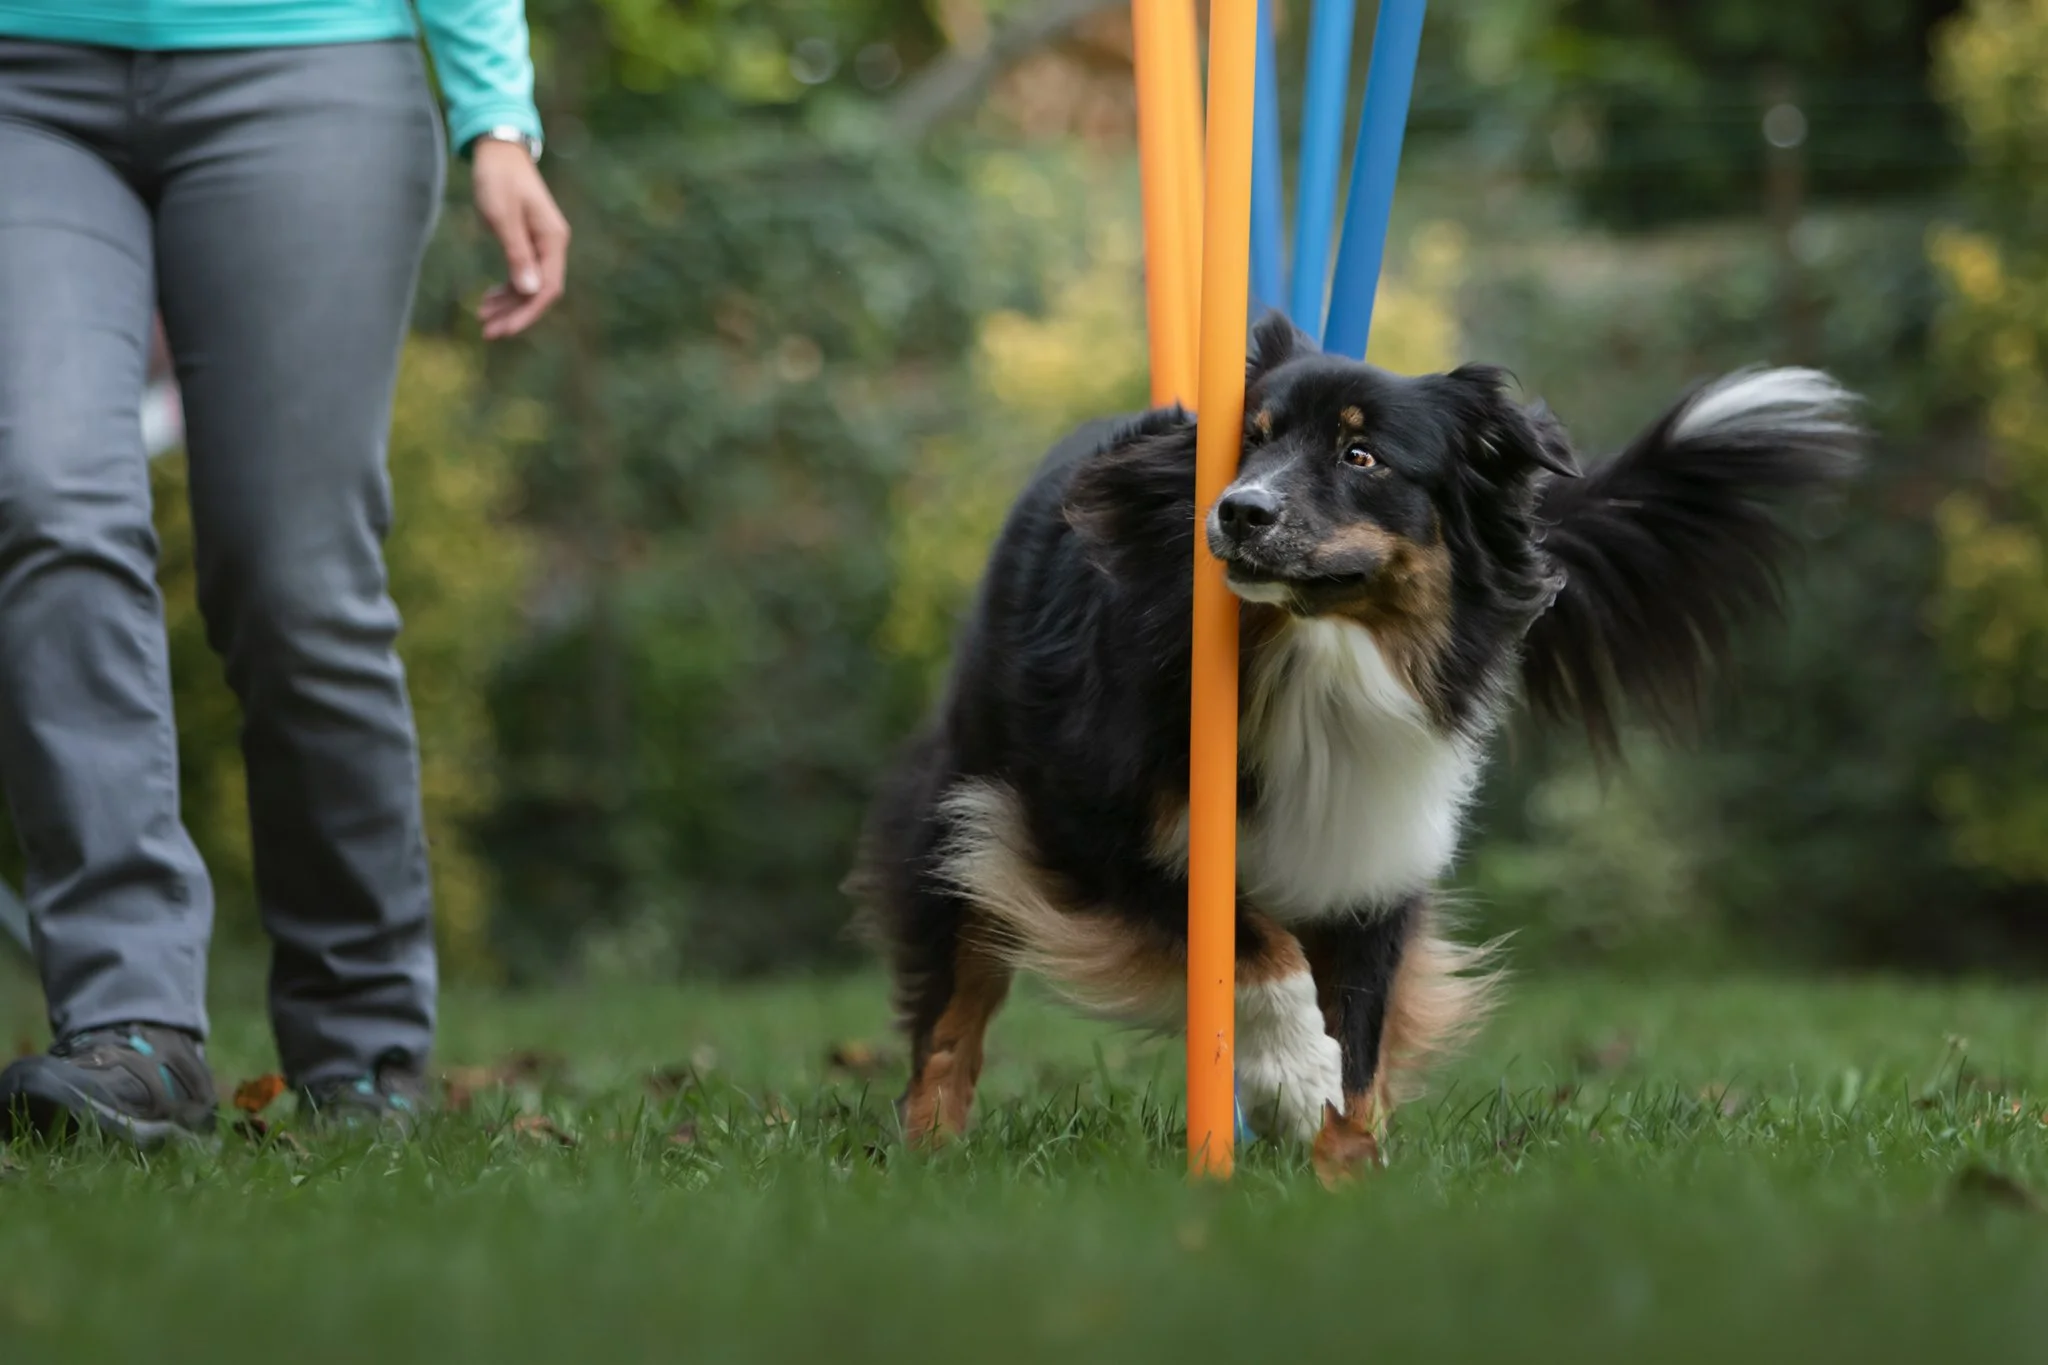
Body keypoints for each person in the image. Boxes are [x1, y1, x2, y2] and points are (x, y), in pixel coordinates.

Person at [0, 0, 568, 1146]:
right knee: (46, 501)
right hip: (22, 75)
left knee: (296, 576)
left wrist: (495, 113)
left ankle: (362, 1053)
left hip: (309, 63)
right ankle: (131, 1029)